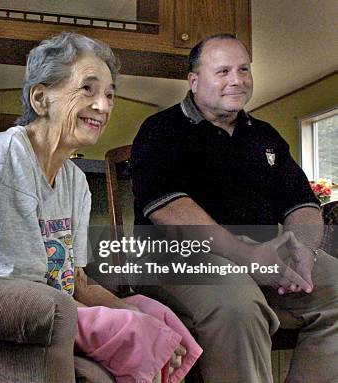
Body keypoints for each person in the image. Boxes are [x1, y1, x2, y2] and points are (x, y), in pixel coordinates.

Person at [0, 32, 202, 383]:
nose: (104, 106)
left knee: (155, 315)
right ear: (41, 97)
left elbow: (74, 280)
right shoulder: (8, 154)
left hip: (50, 309)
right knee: (140, 332)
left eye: (110, 95)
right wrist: (128, 326)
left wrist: (136, 313)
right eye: (88, 90)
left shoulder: (75, 181)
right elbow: (17, 293)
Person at [130, 33, 338, 382]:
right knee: (237, 306)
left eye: (243, 69)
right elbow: (170, 211)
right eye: (223, 71)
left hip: (259, 248)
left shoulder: (266, 135)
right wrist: (246, 256)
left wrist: (303, 249)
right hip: (176, 256)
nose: (237, 80)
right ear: (194, 81)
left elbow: (301, 204)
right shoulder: (160, 130)